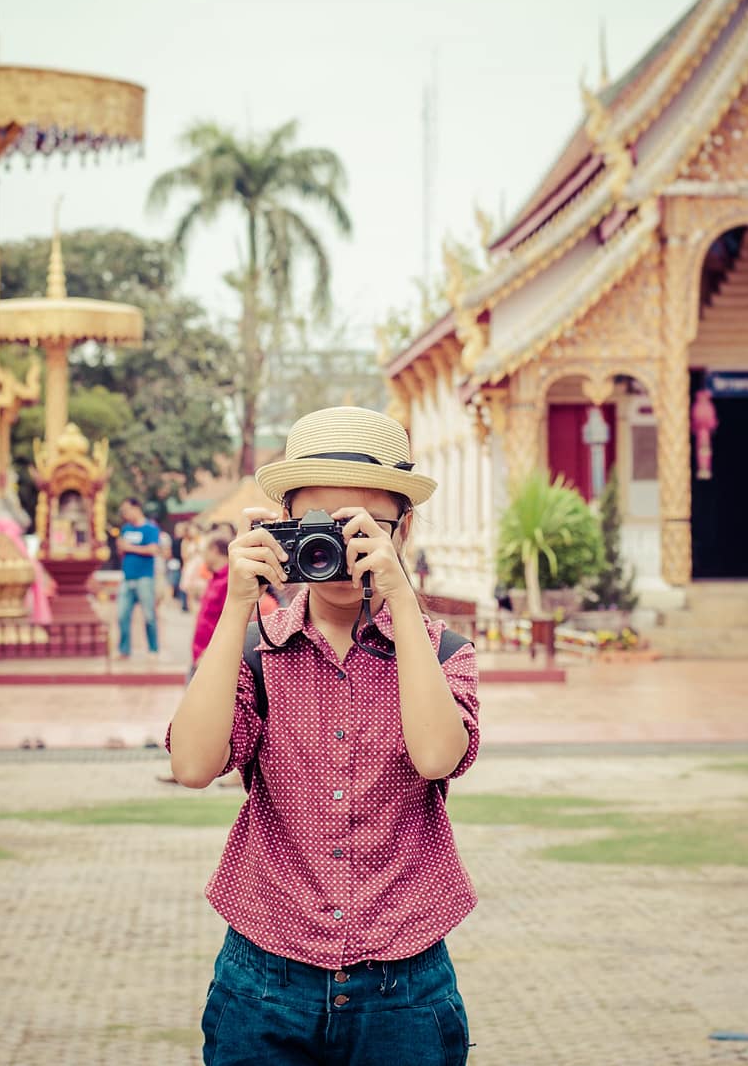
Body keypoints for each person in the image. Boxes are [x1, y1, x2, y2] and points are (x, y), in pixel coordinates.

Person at [166, 406, 478, 1065]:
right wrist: (238, 605)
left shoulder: (442, 652)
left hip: (405, 985)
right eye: (318, 526)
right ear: (282, 526)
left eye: (361, 527)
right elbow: (192, 765)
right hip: (264, 980)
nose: (334, 549)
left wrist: (399, 596)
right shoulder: (258, 652)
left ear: (402, 529)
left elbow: (436, 756)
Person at [114, 498, 161, 659]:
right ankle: (124, 649)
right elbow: (122, 551)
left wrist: (130, 547)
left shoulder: (150, 528)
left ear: (136, 508)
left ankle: (153, 649)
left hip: (144, 578)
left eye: (126, 510)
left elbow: (153, 549)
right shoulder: (126, 529)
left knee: (149, 615)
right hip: (127, 577)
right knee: (122, 614)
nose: (125, 514)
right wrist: (121, 548)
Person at [189, 537, 232, 675]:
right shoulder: (216, 577)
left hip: (211, 657)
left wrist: (209, 652)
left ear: (214, 550)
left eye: (205, 552)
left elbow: (230, 621)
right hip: (202, 654)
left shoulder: (229, 580)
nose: (203, 557)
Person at [169, 521, 190, 612]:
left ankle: (184, 603)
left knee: (182, 585)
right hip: (175, 565)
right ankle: (173, 601)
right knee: (173, 583)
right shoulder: (174, 540)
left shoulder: (185, 540)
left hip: (183, 565)